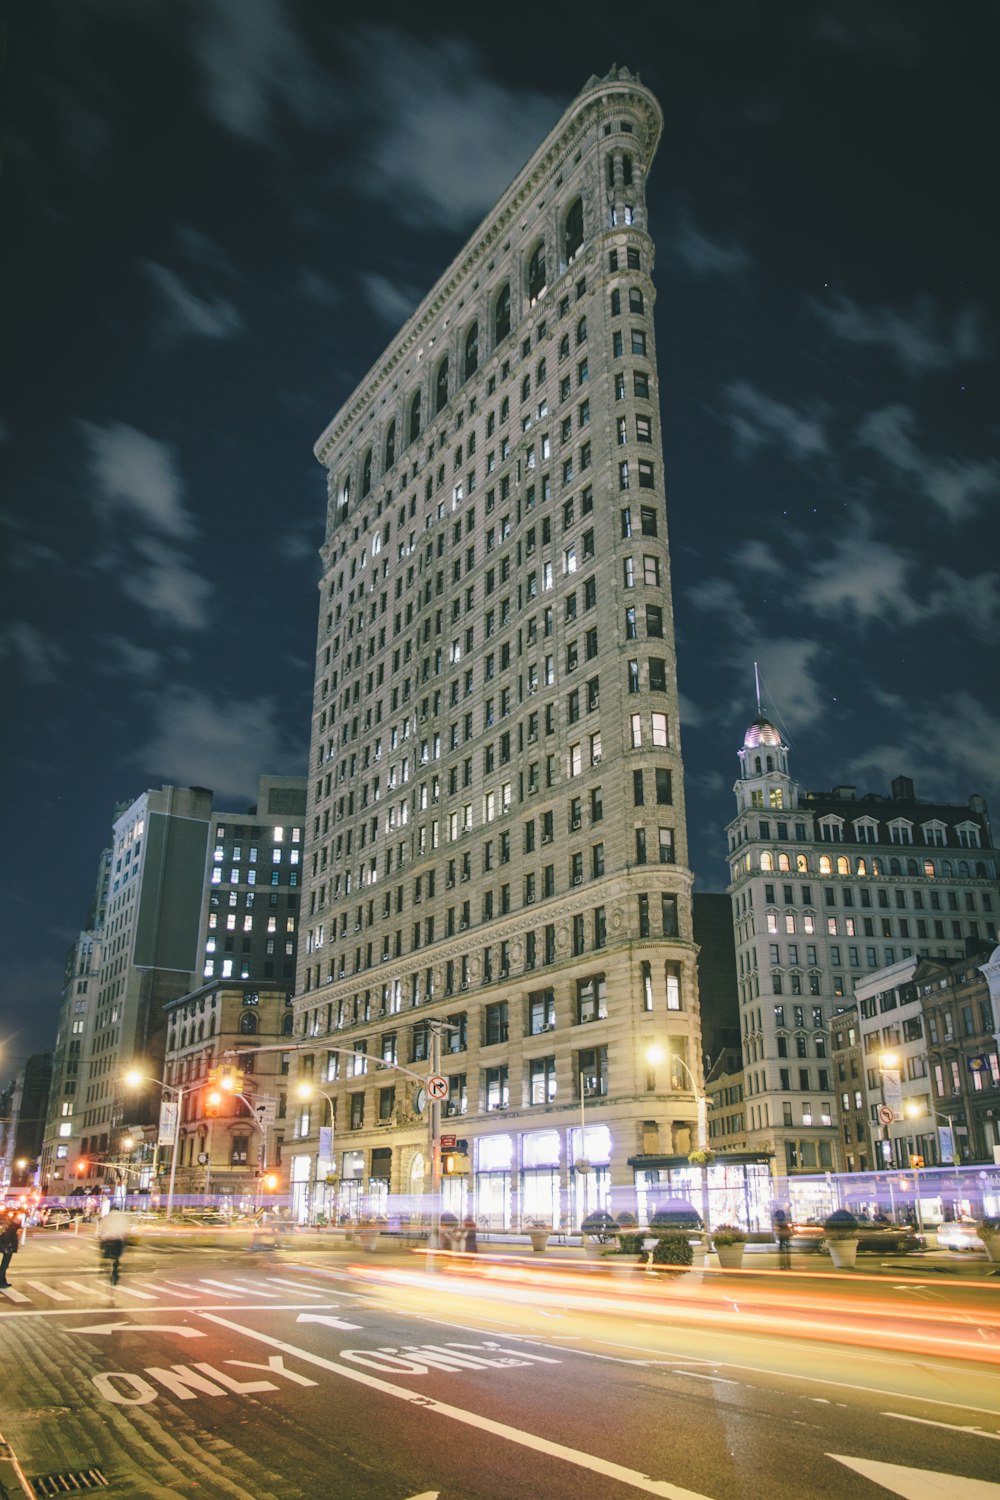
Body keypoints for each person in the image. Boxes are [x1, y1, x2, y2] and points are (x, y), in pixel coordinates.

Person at [97, 1208, 133, 1284]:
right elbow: (125, 1231)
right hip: (117, 1240)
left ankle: (104, 1263)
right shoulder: (122, 1218)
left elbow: (101, 1229)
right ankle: (115, 1273)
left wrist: (101, 1238)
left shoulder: (106, 1217)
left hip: (107, 1239)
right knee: (116, 1258)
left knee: (104, 1253)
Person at [0, 1211, 21, 1288]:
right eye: (17, 1218)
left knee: (4, 1265)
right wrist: (9, 1246)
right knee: (4, 1265)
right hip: (8, 1249)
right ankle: (1, 1282)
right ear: (14, 1219)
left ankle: (3, 1281)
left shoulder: (14, 1226)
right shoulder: (13, 1226)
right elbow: (7, 1237)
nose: (19, 1219)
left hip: (8, 1248)